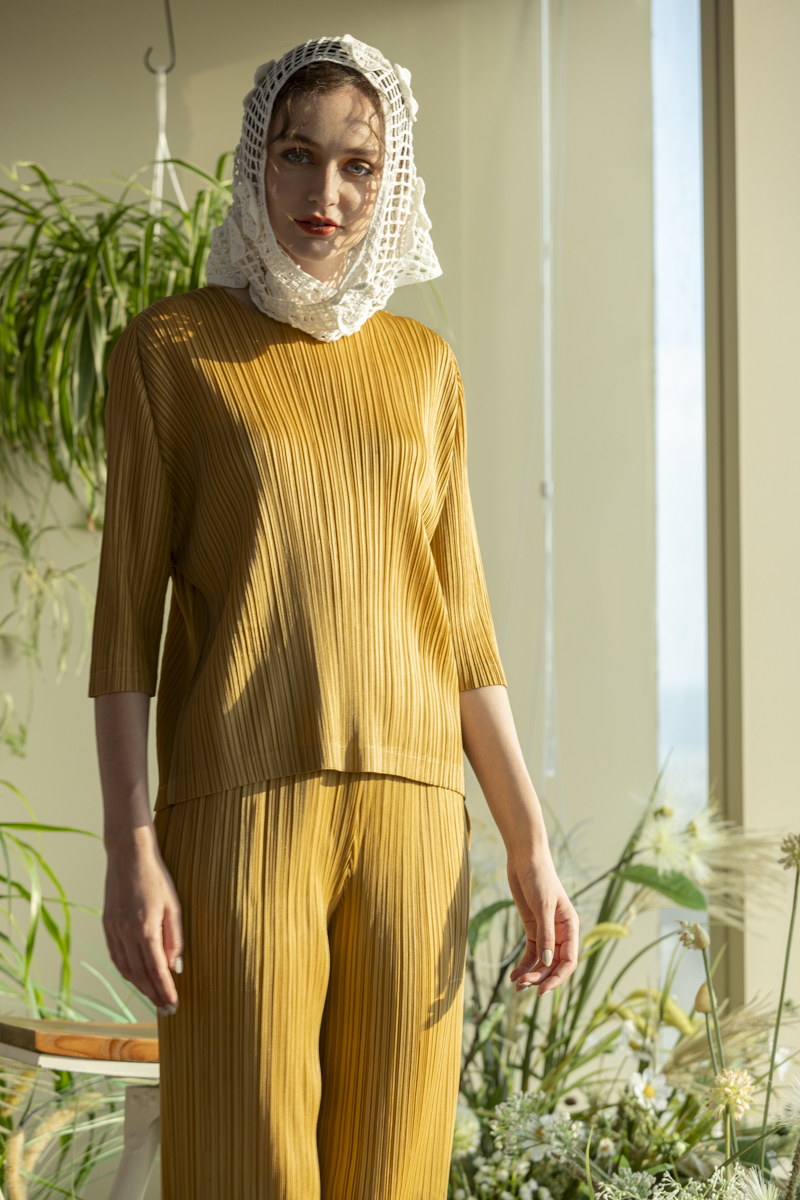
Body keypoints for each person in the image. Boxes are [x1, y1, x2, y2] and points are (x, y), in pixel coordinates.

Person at [91, 34, 579, 1200]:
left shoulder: (424, 367)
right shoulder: (170, 350)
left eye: (358, 164)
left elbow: (462, 626)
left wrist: (527, 842)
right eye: (297, 155)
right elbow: (125, 623)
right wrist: (130, 848)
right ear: (255, 162)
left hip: (416, 815)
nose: (326, 190)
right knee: (245, 1166)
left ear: (390, 177)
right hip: (237, 806)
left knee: (396, 1170)